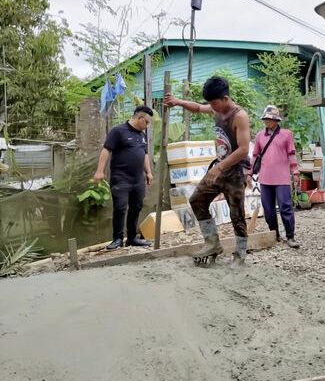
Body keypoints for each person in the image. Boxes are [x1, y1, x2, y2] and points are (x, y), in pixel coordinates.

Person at [164, 76, 251, 268]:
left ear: (225, 98)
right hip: (218, 170)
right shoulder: (215, 107)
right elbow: (197, 107)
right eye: (209, 102)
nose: (211, 106)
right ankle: (212, 243)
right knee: (197, 200)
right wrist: (178, 102)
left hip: (234, 172)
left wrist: (220, 167)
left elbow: (244, 149)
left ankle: (240, 254)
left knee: (237, 214)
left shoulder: (239, 116)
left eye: (213, 102)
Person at [94, 105, 154, 250]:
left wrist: (149, 172)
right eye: (146, 122)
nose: (147, 126)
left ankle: (132, 238)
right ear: (139, 118)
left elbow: (144, 154)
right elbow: (106, 150)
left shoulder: (142, 135)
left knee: (137, 207)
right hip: (120, 178)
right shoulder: (118, 131)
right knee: (120, 208)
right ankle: (117, 239)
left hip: (137, 179)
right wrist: (99, 171)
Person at [251, 105, 300, 248]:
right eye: (265, 119)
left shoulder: (286, 134)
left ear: (276, 120)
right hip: (265, 178)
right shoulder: (260, 135)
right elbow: (255, 156)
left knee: (285, 206)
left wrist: (295, 172)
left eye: (270, 119)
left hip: (282, 177)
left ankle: (290, 236)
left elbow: (291, 154)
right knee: (268, 209)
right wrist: (249, 173)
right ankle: (275, 234)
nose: (267, 122)